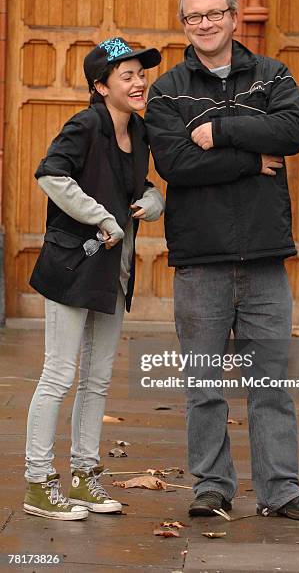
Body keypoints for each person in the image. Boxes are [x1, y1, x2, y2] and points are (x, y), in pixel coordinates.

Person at [145, 0, 299, 521]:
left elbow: (293, 132)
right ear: (185, 24)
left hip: (265, 255)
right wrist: (253, 159)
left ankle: (280, 490)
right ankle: (212, 485)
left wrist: (223, 129)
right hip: (200, 258)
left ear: (233, 18)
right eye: (192, 17)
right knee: (204, 383)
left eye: (213, 14)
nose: (203, 24)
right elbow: (176, 165)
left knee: (271, 383)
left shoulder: (272, 74)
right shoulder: (167, 90)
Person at [24, 37, 164, 521]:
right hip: (71, 265)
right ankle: (39, 483)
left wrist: (151, 200)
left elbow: (138, 185)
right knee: (59, 374)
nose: (138, 81)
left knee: (98, 380)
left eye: (140, 73)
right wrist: (102, 217)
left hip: (113, 272)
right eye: (126, 75)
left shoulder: (139, 132)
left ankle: (84, 477)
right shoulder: (84, 124)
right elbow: (51, 175)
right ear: (101, 86)